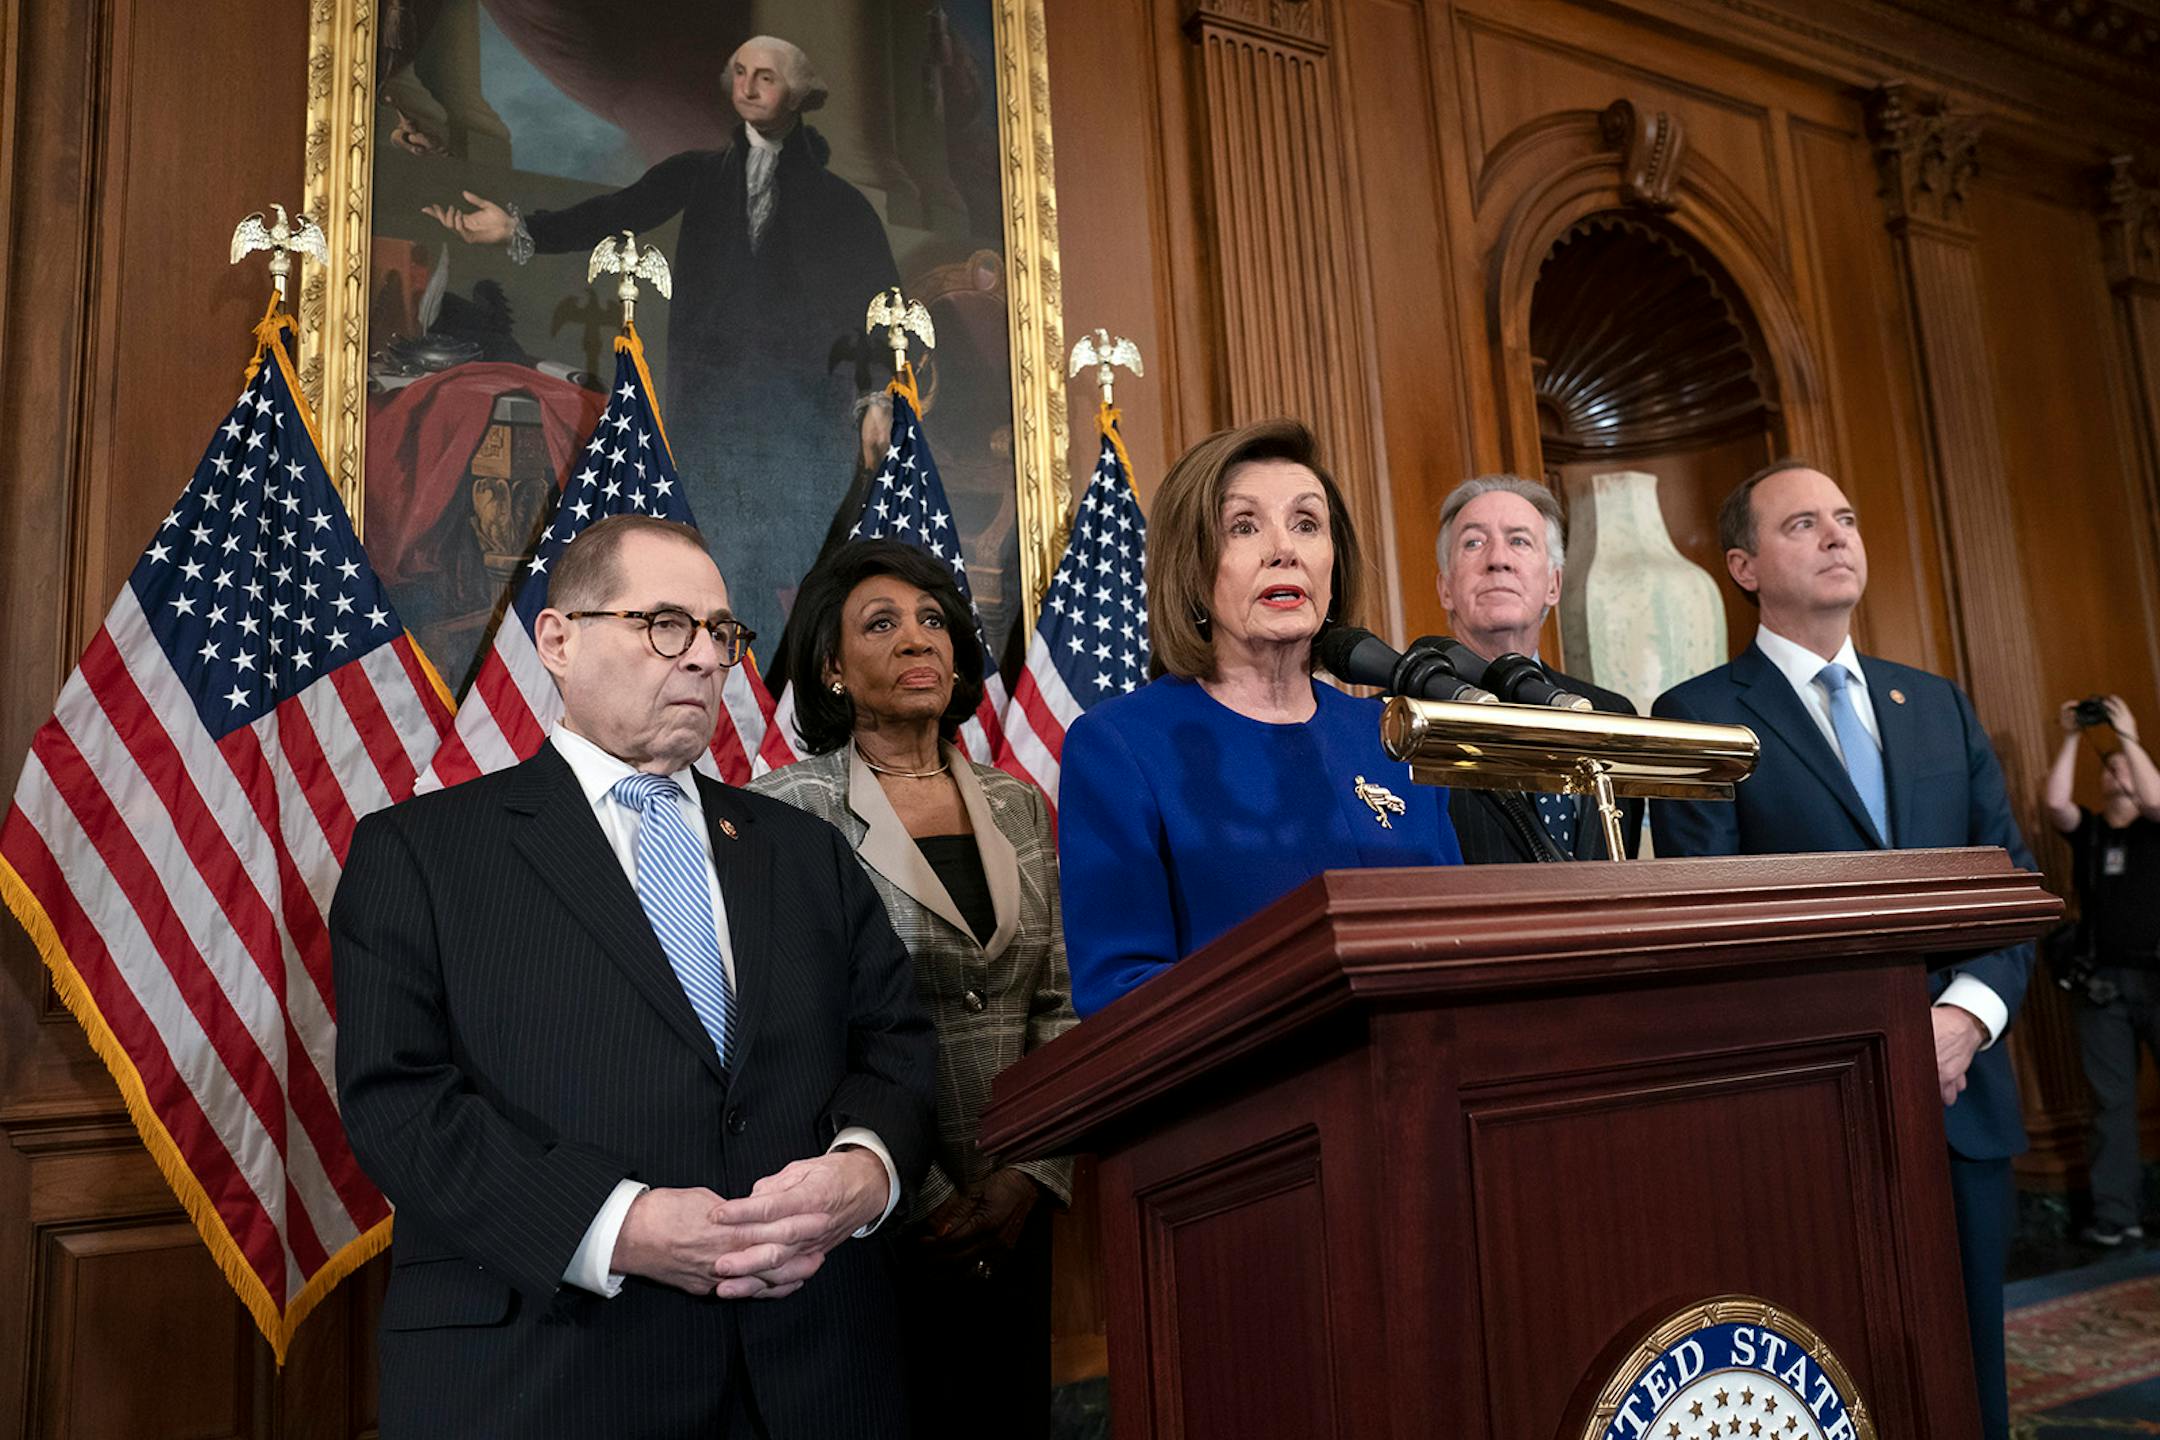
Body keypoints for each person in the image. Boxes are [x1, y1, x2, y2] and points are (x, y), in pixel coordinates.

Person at [332, 515, 936, 1440]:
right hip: (551, 1374)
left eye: (721, 634)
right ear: (558, 641)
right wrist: (620, 1226)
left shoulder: (801, 850)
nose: (702, 659)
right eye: (664, 624)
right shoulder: (421, 853)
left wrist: (866, 1174)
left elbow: (895, 1043)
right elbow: (400, 1107)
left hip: (817, 1370)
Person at [1650, 459, 2034, 1440]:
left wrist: (1961, 1019)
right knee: (1838, 1377)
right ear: (1744, 565)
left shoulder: (1936, 706)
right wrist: (1874, 1040)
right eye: (1803, 524)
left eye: (1848, 519)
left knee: (1971, 1379)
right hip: (1810, 1114)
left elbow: (2016, 895)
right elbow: (1715, 936)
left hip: (1961, 1098)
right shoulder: (1698, 717)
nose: (1837, 537)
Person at [749, 539, 1077, 1437]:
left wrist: (1031, 1174)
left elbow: (1056, 1001)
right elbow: (802, 1029)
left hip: (1016, 1204)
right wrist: (921, 1194)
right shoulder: (785, 809)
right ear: (832, 666)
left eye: (932, 621)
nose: (916, 640)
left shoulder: (1017, 803)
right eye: (881, 625)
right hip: (877, 1208)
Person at [423, 35, 901, 646]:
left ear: (800, 95)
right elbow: (613, 211)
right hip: (711, 411)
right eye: (741, 73)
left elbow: (880, 311)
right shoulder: (696, 174)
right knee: (716, 566)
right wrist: (518, 227)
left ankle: (786, 713)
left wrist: (875, 399)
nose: (749, 87)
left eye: (767, 78)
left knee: (799, 577)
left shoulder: (843, 204)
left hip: (801, 421)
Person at [1057, 419, 1464, 1016]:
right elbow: (1118, 992)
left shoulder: (1392, 737)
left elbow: (1460, 938)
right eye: (1244, 527)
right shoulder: (1120, 746)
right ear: (1192, 569)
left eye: (1306, 524)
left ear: (1334, 561)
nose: (1285, 549)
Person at [1431, 474, 1643, 862]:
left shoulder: (1612, 717)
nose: (1498, 560)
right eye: (1474, 542)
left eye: (1519, 541)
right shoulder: (1403, 719)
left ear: (1553, 584)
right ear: (1446, 587)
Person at [2042, 694, 2160, 1247]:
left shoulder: (2155, 824)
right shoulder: (2091, 831)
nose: (2115, 766)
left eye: (2125, 763)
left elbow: (2155, 798)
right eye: (2108, 761)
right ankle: (2117, 1216)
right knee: (2110, 1104)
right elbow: (2056, 803)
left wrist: (2128, 733)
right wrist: (2071, 735)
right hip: (2103, 987)